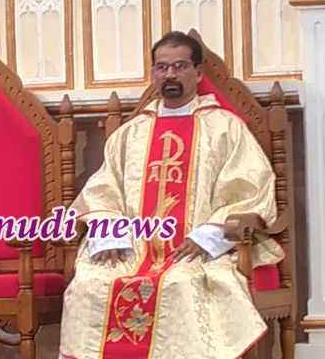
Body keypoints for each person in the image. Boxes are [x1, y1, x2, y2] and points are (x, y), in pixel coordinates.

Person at [58, 31, 282, 359]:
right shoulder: (131, 133)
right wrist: (110, 233)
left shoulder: (225, 128)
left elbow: (250, 190)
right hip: (134, 249)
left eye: (180, 66)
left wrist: (208, 235)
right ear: (153, 74)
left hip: (195, 251)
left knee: (181, 285)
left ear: (198, 73)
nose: (170, 75)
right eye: (162, 67)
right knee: (90, 282)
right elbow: (102, 191)